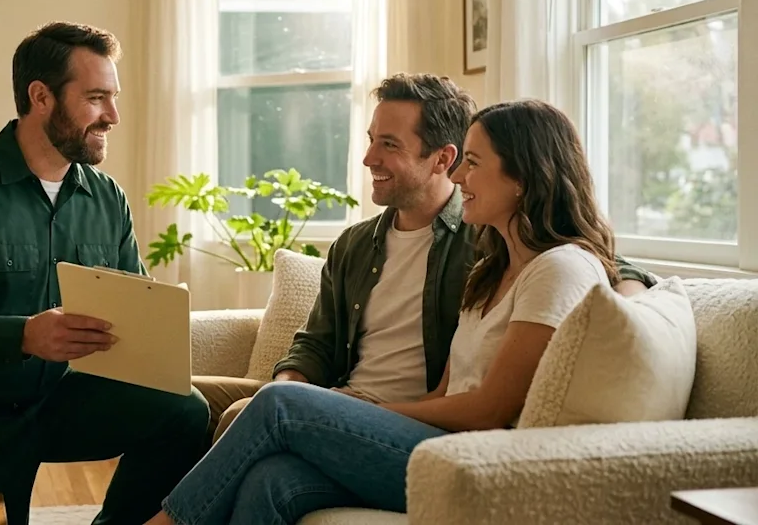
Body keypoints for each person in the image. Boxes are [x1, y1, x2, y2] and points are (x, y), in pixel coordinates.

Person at [146, 98, 629, 525]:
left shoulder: (554, 268)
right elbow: (445, 386)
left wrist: (357, 410)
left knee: (278, 405)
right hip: (427, 435)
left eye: (474, 162)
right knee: (272, 480)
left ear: (523, 178)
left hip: (474, 457)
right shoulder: (492, 267)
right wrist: (337, 405)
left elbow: (489, 410)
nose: (461, 176)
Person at [193, 74, 653, 443]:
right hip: (334, 397)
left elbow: (587, 255)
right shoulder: (355, 245)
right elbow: (316, 342)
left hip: (401, 418)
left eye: (389, 144)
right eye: (372, 139)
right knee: (186, 400)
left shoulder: (488, 238)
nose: (368, 157)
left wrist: (628, 297)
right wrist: (292, 380)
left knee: (244, 415)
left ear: (441, 158)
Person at [0, 21, 210, 525]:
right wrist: (24, 336)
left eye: (114, 97)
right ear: (41, 96)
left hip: (60, 403)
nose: (113, 116)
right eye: (97, 98)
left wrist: (156, 331)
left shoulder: (107, 197)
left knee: (184, 410)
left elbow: (133, 304)